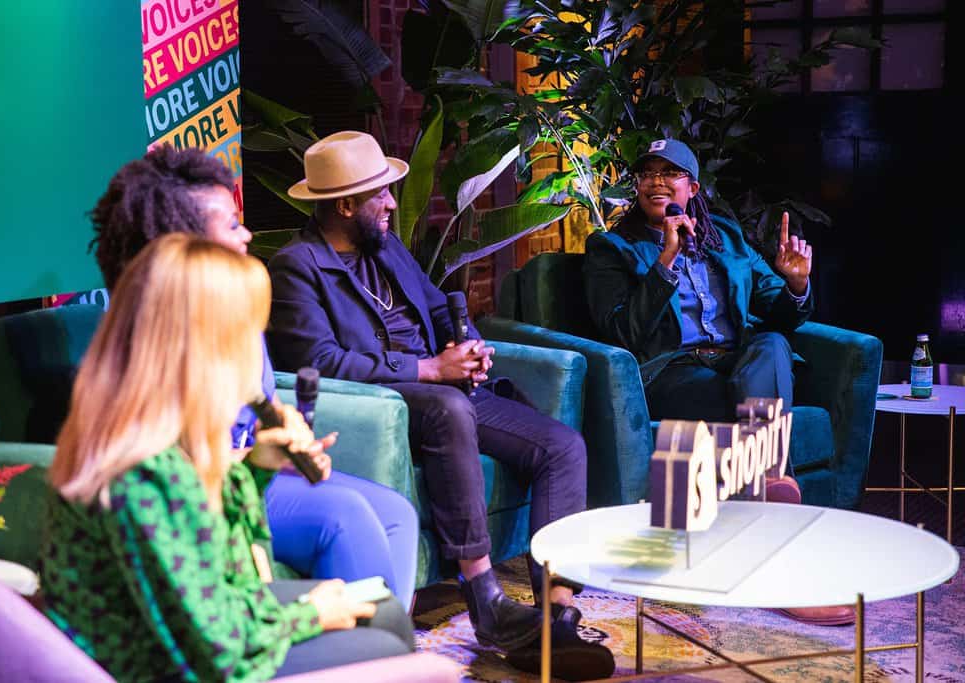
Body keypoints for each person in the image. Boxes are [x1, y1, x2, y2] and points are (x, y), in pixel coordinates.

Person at [266, 130, 614, 680]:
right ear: (345, 204)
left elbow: (437, 305)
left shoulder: (385, 247)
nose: (390, 204)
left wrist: (468, 348)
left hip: (451, 389)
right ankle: (485, 600)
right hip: (393, 404)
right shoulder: (297, 267)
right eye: (380, 194)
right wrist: (428, 369)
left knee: (562, 446)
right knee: (447, 410)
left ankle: (558, 612)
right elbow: (319, 360)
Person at [42, 234, 414, 681]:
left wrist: (257, 468)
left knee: (387, 614)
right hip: (162, 665)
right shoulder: (144, 471)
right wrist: (311, 614)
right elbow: (214, 648)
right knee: (385, 646)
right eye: (244, 333)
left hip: (201, 631)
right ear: (201, 350)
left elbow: (238, 568)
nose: (254, 354)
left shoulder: (164, 433)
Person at [88, 144, 419, 613]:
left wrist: (285, 430)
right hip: (210, 486)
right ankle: (359, 657)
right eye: (229, 224)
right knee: (344, 516)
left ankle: (375, 653)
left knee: (397, 514)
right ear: (182, 240)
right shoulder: (153, 337)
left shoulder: (233, 309)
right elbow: (172, 464)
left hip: (254, 471)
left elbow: (256, 402)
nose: (246, 234)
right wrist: (261, 456)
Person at [584, 138, 853, 626]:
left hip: (737, 360)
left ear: (694, 186)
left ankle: (768, 489)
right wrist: (665, 260)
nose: (657, 182)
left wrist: (795, 285)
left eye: (671, 173)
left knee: (771, 346)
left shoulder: (725, 236)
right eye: (647, 174)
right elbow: (621, 331)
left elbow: (775, 307)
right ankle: (786, 560)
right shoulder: (611, 247)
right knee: (750, 408)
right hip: (673, 372)